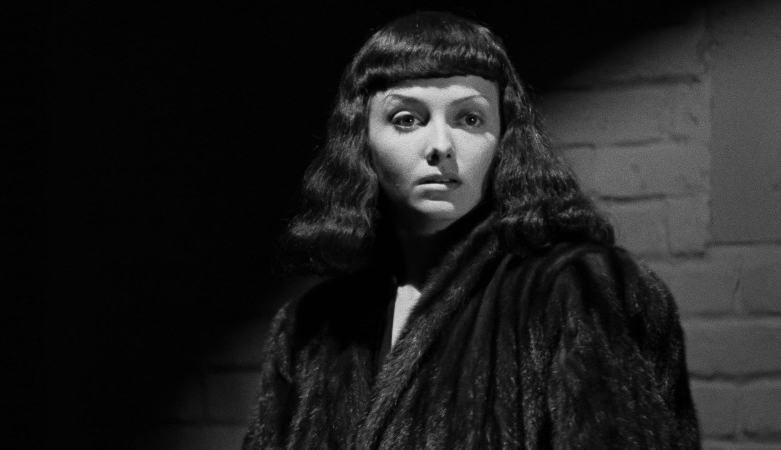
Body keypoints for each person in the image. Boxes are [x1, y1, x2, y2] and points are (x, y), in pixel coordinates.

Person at [245, 11, 700, 450]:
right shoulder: (310, 325)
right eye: (407, 119)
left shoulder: (574, 290)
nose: (441, 146)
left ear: (504, 138)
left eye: (470, 119)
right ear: (362, 140)